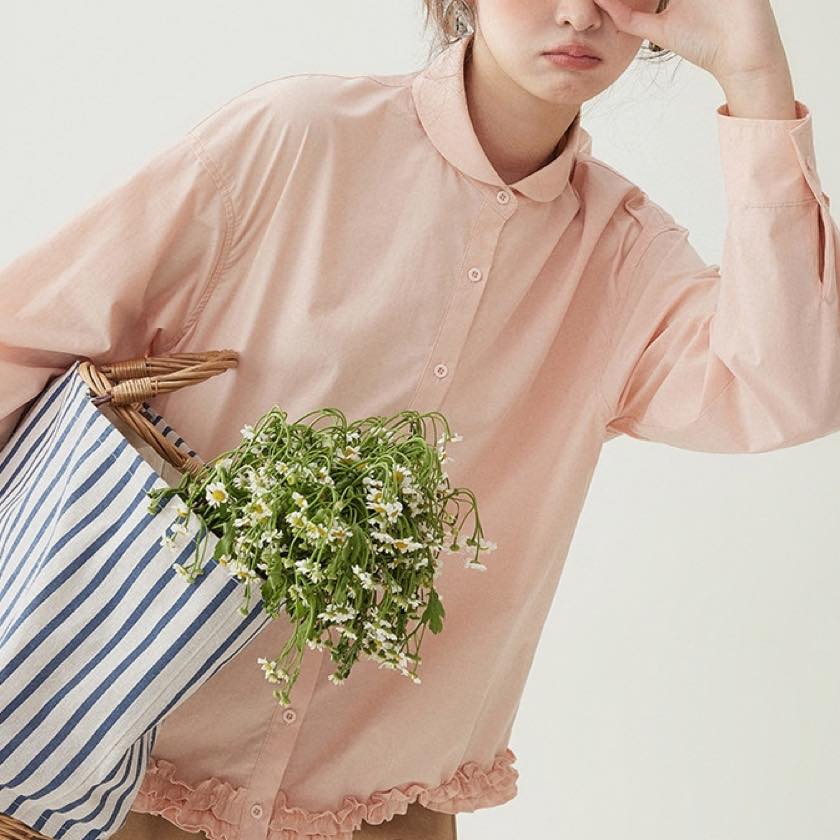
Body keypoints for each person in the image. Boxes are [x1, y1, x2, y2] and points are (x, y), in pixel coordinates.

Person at [1, 1, 837, 839]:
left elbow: (789, 388)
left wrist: (754, 74)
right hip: (112, 779)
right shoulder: (296, 142)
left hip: (384, 813)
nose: (579, 12)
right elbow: (26, 340)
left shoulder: (624, 259)